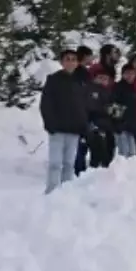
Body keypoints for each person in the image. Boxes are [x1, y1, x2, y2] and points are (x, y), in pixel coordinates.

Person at [39, 48, 89, 194]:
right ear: (62, 62)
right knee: (55, 163)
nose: (70, 62)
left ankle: (66, 191)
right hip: (57, 128)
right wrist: (50, 123)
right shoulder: (53, 79)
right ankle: (52, 190)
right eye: (67, 59)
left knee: (69, 163)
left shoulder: (80, 82)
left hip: (74, 129)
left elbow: (83, 105)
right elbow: (46, 103)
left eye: (74, 60)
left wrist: (83, 125)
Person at [109, 64, 136, 158]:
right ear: (123, 74)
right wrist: (117, 123)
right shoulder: (118, 87)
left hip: (131, 127)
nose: (130, 76)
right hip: (120, 126)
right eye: (127, 73)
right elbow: (113, 105)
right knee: (123, 153)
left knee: (133, 153)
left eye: (132, 73)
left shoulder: (133, 89)